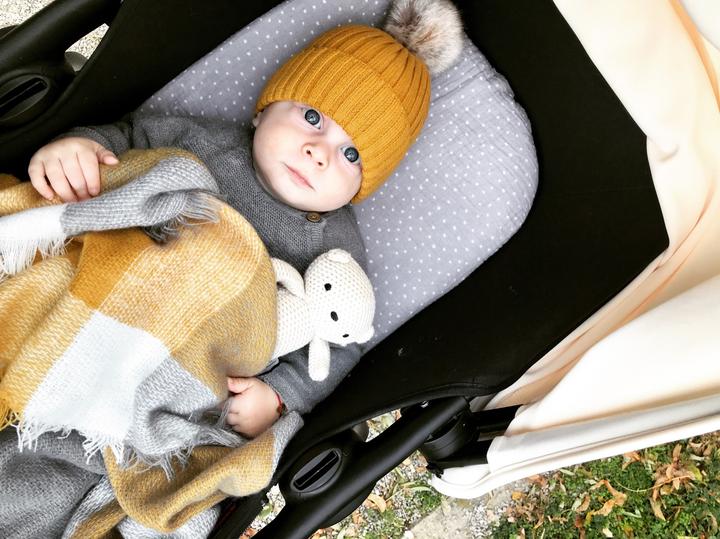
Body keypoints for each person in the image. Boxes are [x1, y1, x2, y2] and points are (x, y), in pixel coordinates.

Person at [25, 1, 462, 439]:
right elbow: (126, 140)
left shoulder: (335, 249)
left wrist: (279, 394)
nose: (318, 153)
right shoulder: (202, 142)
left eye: (351, 154)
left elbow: (341, 338)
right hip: (108, 291)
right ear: (263, 110)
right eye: (312, 118)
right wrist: (80, 148)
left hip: (191, 367)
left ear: (360, 188)